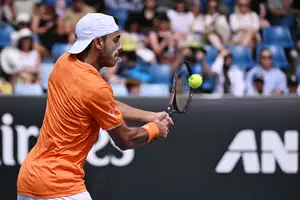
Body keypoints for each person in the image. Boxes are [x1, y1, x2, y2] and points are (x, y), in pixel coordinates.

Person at [17, 13, 173, 200]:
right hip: (59, 186)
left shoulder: (63, 64)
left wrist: (149, 116)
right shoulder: (96, 87)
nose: (120, 47)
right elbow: (126, 139)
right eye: (115, 40)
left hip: (29, 180)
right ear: (98, 43)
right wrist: (155, 129)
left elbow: (104, 103)